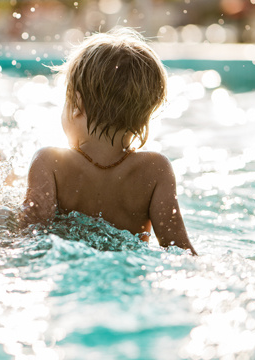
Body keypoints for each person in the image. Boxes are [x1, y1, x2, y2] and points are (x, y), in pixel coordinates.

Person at [21, 28, 197, 255]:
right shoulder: (156, 170)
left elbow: (30, 238)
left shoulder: (50, 162)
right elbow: (179, 250)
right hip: (130, 276)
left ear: (76, 104)